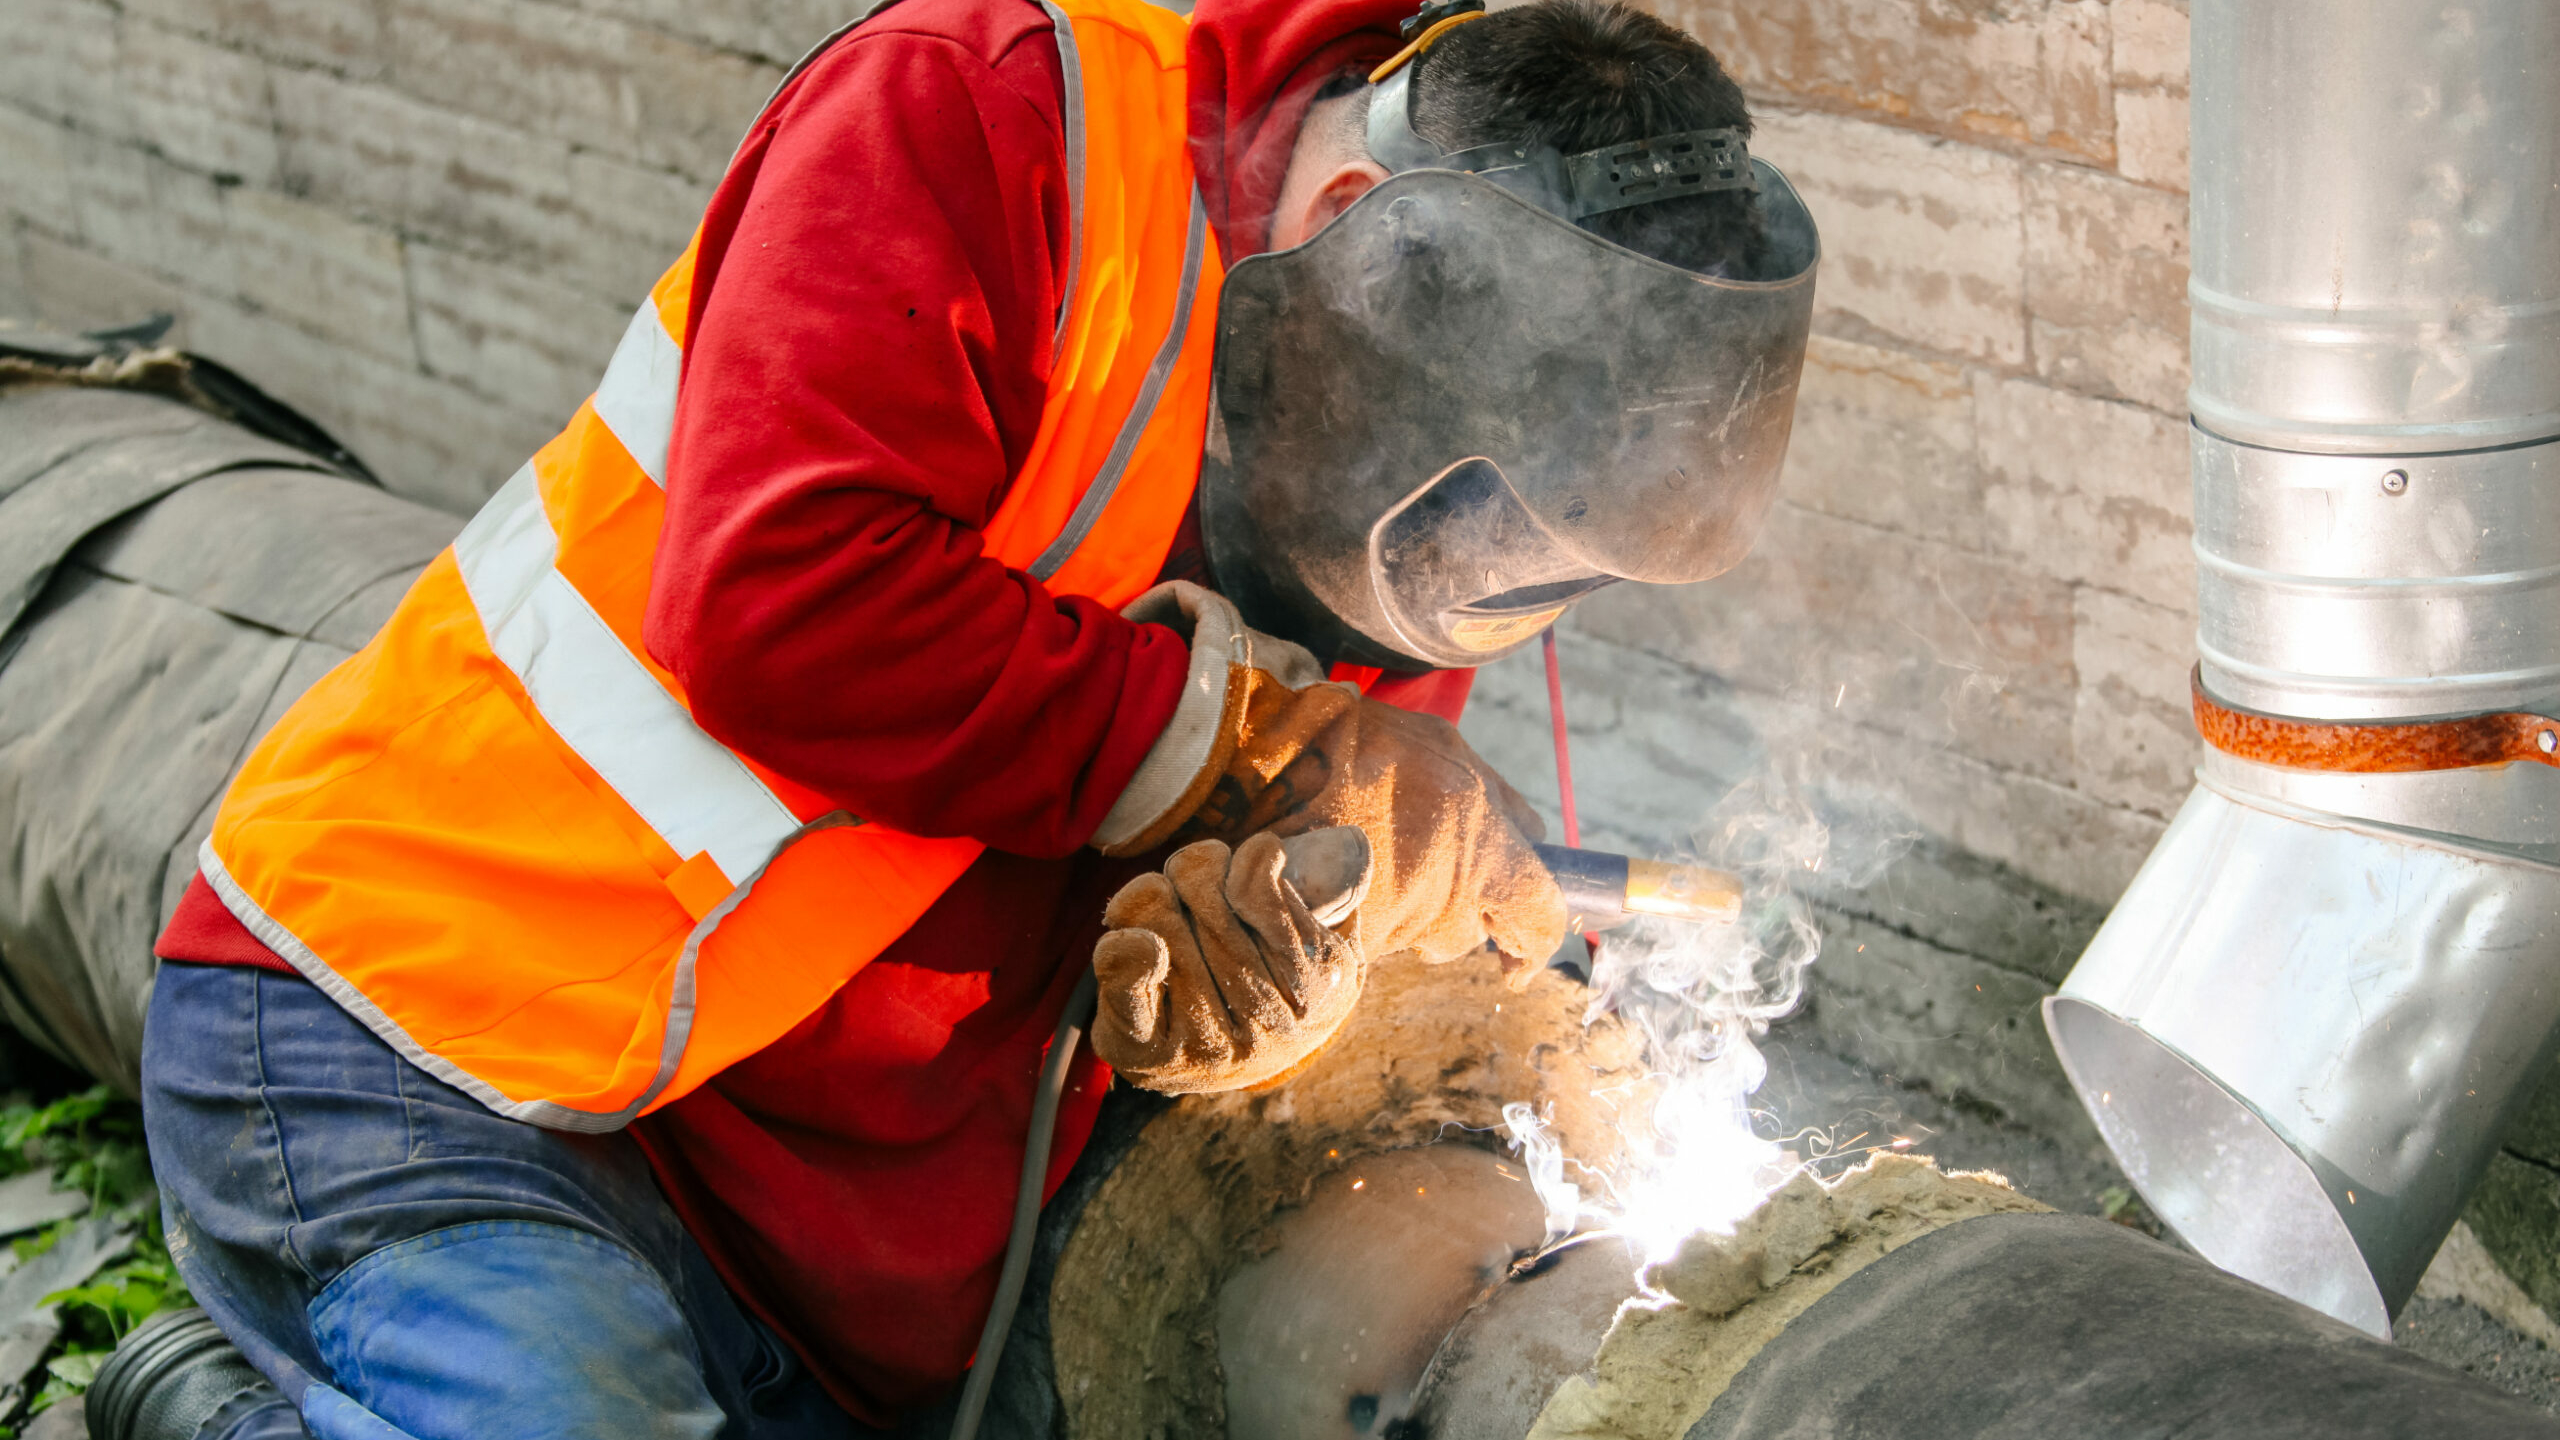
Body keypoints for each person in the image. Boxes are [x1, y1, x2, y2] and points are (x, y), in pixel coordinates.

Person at [127, 0, 1816, 1434]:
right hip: (435, 1033)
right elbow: (782, 604)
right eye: (1472, 529)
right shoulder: (987, 114)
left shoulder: (1410, 465)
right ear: (1352, 222)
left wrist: (1276, 981)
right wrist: (1241, 752)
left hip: (806, 1194)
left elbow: (1188, 862)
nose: (1469, 597)